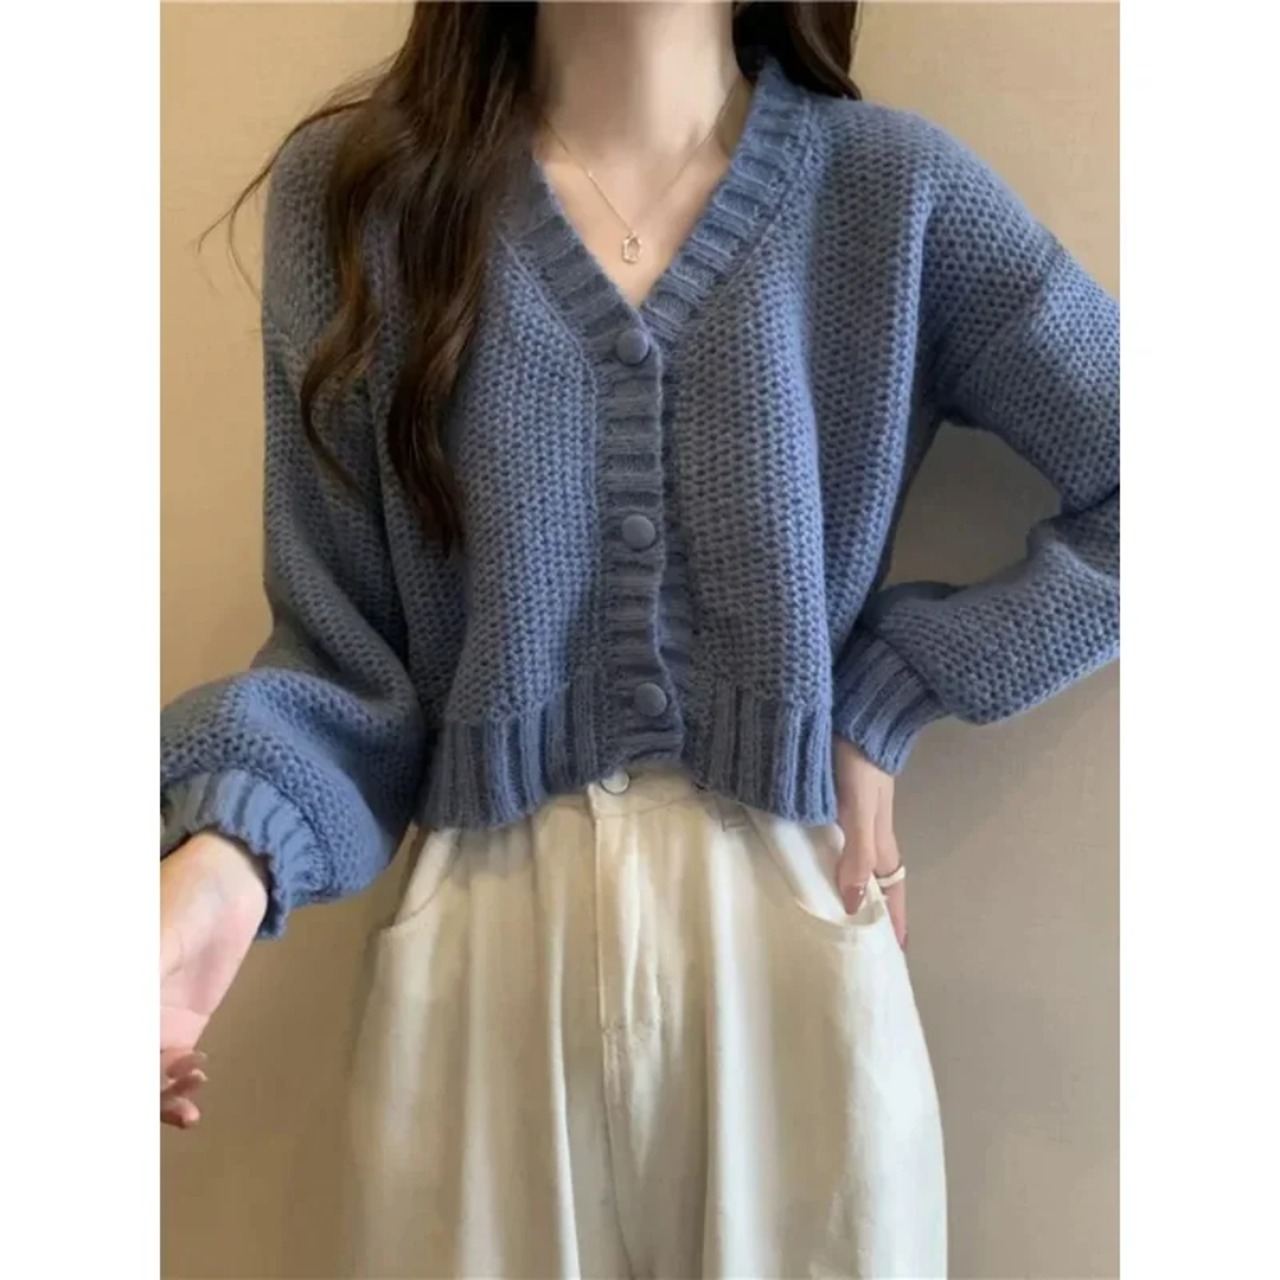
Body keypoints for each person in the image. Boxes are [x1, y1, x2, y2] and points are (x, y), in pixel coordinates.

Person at [159, 2, 1119, 1276]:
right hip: (481, 964)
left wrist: (887, 692)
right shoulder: (366, 201)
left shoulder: (892, 196)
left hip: (788, 934)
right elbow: (344, 662)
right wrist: (221, 865)